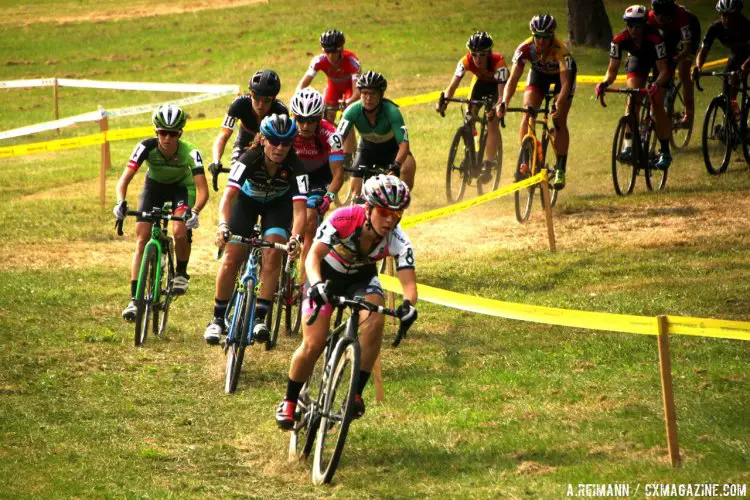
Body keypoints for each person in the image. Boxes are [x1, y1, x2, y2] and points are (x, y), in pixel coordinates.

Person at [276, 175, 418, 429]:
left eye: (397, 215)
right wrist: (317, 285)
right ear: (368, 208)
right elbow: (313, 257)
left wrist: (409, 306)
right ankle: (289, 400)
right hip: (325, 274)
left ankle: (355, 393)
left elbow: (409, 285)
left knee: (375, 320)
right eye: (384, 212)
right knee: (314, 341)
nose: (390, 220)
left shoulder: (399, 239)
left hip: (361, 279)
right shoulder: (342, 218)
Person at [203, 114, 307, 345]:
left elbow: (300, 210)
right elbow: (228, 198)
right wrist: (222, 225)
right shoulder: (248, 159)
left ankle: (260, 317)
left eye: (286, 143)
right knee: (232, 257)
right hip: (247, 202)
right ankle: (217, 319)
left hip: (277, 206)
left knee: (273, 256)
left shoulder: (296, 166)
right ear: (262, 140)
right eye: (274, 142)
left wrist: (296, 238)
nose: (280, 148)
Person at [114, 105, 208, 320]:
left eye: (172, 133)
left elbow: (203, 190)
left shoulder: (190, 152)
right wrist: (120, 202)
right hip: (154, 187)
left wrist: (194, 211)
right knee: (142, 237)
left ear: (180, 133)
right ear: (156, 132)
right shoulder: (145, 147)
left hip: (181, 189)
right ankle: (134, 300)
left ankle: (182, 273)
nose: (167, 138)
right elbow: (124, 180)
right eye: (162, 133)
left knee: (179, 230)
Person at [497, 14, 577, 189]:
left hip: (560, 80)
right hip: (539, 75)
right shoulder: (525, 49)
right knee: (528, 112)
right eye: (537, 36)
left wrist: (558, 103)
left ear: (552, 36)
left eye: (545, 37)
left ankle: (560, 169)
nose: (540, 41)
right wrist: (504, 101)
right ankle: (525, 161)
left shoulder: (561, 50)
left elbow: (565, 85)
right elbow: (513, 79)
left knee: (558, 119)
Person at [594, 5, 673, 171]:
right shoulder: (619, 40)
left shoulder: (655, 39)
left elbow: (664, 70)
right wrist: (604, 83)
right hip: (638, 61)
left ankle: (665, 151)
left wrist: (656, 84)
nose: (634, 29)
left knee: (657, 103)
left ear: (644, 24)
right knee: (632, 99)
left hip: (659, 65)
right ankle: (628, 145)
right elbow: (612, 71)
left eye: (638, 25)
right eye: (630, 24)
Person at [288, 87, 345, 281]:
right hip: (293, 175)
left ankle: (304, 283)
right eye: (300, 119)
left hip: (318, 177)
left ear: (319, 118)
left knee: (311, 219)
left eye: (311, 120)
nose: (305, 125)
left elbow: (338, 174)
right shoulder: (287, 130)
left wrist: (329, 196)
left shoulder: (331, 134)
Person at [437, 31, 508, 184]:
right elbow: (452, 86)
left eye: (482, 54)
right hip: (480, 85)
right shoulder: (465, 61)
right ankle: (470, 156)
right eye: (474, 54)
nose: (477, 58)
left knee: (492, 121)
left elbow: (502, 95)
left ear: (489, 53)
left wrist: (496, 108)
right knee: (469, 115)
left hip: (496, 89)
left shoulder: (499, 63)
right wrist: (444, 101)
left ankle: (488, 164)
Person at [336, 71, 417, 198]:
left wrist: (397, 165)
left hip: (392, 149)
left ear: (381, 95)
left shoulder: (392, 111)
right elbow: (337, 139)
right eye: (365, 93)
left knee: (407, 168)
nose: (368, 98)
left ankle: (399, 204)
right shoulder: (351, 111)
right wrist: (334, 157)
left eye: (373, 94)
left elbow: (404, 144)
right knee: (355, 192)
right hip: (367, 149)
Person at [297, 30, 361, 167]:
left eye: (334, 52)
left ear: (341, 50)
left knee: (347, 115)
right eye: (327, 52)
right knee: (325, 117)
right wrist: (299, 99)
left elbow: (357, 92)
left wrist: (347, 102)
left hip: (350, 89)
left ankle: (348, 157)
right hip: (333, 88)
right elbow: (302, 85)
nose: (331, 56)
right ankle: (324, 148)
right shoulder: (319, 60)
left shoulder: (352, 61)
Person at [209, 69, 288, 174]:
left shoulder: (281, 111)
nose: (260, 105)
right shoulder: (239, 104)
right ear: (251, 94)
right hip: (244, 142)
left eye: (266, 100)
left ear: (273, 99)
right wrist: (216, 160)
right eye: (256, 98)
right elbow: (223, 135)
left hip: (268, 146)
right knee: (235, 175)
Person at [648, 0, 702, 125]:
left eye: (664, 15)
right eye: (657, 14)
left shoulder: (682, 17)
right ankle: (666, 94)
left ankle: (689, 114)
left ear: (671, 12)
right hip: (669, 32)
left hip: (691, 31)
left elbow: (687, 48)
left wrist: (676, 59)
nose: (660, 18)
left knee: (683, 72)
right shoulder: (650, 17)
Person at [694, 0, 750, 118]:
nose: (727, 19)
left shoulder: (747, 27)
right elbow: (704, 50)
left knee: (742, 74)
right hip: (737, 55)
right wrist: (698, 67)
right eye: (724, 15)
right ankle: (734, 119)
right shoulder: (715, 28)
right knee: (727, 93)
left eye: (731, 15)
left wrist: (745, 66)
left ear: (739, 14)